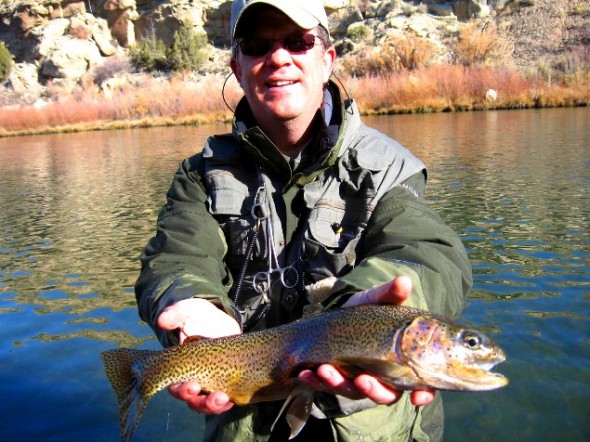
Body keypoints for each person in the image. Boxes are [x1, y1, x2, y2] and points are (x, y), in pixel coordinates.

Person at [135, 0, 473, 440]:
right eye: (258, 45)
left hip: (369, 424)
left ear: (326, 59)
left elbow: (428, 253)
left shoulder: (389, 167)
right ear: (237, 67)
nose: (278, 58)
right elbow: (176, 257)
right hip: (245, 417)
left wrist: (378, 315)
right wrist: (190, 301)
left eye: (297, 42)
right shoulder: (199, 175)